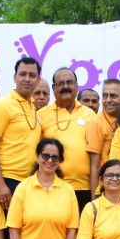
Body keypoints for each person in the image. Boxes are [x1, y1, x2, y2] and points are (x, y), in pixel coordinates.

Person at [7, 138, 78, 239]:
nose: (50, 160)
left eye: (55, 157)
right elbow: (13, 231)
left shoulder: (68, 190)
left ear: (60, 161)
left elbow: (71, 231)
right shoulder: (23, 189)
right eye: (45, 156)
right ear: (38, 157)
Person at [0, 56, 42, 210]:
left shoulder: (33, 106)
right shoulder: (3, 106)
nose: (27, 79)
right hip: (6, 180)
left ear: (38, 79)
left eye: (32, 75)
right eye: (22, 74)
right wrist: (0, 185)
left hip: (28, 182)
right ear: (14, 77)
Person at [40, 67, 96, 212]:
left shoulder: (90, 114)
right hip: (52, 187)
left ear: (77, 86)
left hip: (84, 188)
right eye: (61, 83)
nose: (66, 87)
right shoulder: (41, 115)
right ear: (53, 88)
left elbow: (96, 155)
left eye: (70, 82)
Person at [85, 79, 120, 195]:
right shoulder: (96, 123)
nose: (108, 100)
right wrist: (94, 199)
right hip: (106, 189)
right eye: (105, 96)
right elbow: (94, 165)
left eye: (113, 96)